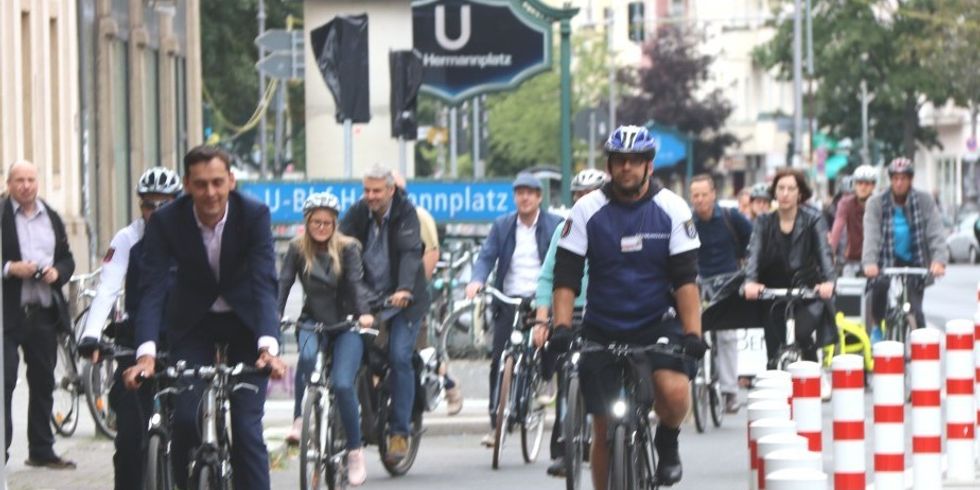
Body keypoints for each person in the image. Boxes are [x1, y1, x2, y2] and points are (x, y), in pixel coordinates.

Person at [122, 145, 287, 490]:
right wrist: (146, 355)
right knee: (184, 419)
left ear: (231, 181)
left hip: (246, 325)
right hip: (193, 323)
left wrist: (268, 348)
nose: (210, 193)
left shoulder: (254, 215)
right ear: (187, 185)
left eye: (217, 182)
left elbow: (263, 282)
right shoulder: (167, 221)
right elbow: (151, 289)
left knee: (245, 428)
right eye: (200, 184)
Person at [550, 125, 706, 489]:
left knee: (675, 392)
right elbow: (566, 276)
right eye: (620, 161)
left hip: (657, 322)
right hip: (602, 325)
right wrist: (560, 327)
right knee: (604, 426)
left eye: (635, 161)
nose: (626, 168)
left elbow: (686, 281)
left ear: (648, 166)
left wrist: (694, 333)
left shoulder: (672, 208)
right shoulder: (587, 209)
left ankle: (667, 441)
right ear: (609, 164)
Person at [76, 166, 181, 488]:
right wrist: (91, 335)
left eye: (164, 204)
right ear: (140, 207)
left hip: (185, 337)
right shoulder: (128, 238)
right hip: (136, 338)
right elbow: (107, 288)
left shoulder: (192, 237)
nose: (156, 211)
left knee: (192, 427)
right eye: (150, 204)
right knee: (128, 438)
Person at [278, 192, 374, 486]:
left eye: (327, 222)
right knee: (306, 357)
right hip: (312, 324)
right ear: (307, 223)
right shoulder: (296, 249)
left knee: (344, 384)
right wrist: (273, 318)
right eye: (315, 222)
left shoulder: (348, 249)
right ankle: (299, 420)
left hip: (346, 326)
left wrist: (363, 314)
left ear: (335, 224)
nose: (321, 227)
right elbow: (282, 285)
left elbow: (356, 285)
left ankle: (355, 451)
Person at [339, 165, 430, 463]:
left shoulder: (406, 213)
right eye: (366, 190)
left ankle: (400, 431)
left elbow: (409, 253)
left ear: (391, 190)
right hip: (368, 299)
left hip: (404, 300)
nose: (371, 196)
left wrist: (404, 289)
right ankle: (363, 423)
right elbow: (340, 247)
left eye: (377, 190)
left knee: (399, 355)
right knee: (359, 359)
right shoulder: (356, 213)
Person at [465, 172, 562, 447]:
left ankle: (545, 379)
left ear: (539, 197)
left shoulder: (554, 224)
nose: (525, 197)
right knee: (499, 360)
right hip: (509, 299)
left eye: (530, 192)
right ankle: (496, 424)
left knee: (546, 345)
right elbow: (486, 256)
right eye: (520, 192)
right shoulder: (503, 225)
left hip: (541, 298)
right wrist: (476, 280)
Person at [531, 168, 608, 477]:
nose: (583, 201)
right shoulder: (564, 228)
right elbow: (547, 276)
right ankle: (566, 444)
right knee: (569, 375)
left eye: (589, 195)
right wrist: (541, 320)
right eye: (578, 196)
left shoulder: (615, 225)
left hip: (606, 311)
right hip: (571, 312)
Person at [2, 160, 76, 468]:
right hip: (8, 313)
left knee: (44, 381)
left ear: (38, 182)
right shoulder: (2, 215)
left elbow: (67, 260)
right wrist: (9, 268)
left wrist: (56, 273)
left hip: (44, 312)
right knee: (4, 382)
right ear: (9, 184)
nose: (26, 186)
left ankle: (42, 449)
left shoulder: (53, 217)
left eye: (31, 179)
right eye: (19, 180)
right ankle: (2, 453)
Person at [743, 168, 836, 367]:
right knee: (773, 351)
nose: (785, 193)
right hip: (772, 294)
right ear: (774, 193)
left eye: (791, 189)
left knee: (801, 333)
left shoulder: (814, 220)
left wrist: (828, 282)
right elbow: (754, 254)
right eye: (781, 188)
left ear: (799, 193)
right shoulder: (763, 222)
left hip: (807, 293)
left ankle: (813, 371)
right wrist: (751, 282)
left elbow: (824, 253)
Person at [391, 172, 463, 416]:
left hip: (411, 297)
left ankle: (449, 386)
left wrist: (415, 288)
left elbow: (431, 253)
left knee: (418, 349)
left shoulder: (419, 216)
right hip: (382, 299)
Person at [689, 174, 752, 414]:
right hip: (698, 283)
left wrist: (748, 263)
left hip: (728, 281)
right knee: (693, 332)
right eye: (696, 195)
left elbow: (753, 237)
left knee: (727, 337)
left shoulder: (730, 217)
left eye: (705, 194)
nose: (701, 200)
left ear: (714, 194)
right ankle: (696, 384)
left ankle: (729, 392)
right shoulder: (687, 223)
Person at [862, 157, 947, 331]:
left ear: (910, 180)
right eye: (895, 179)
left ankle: (921, 348)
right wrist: (869, 263)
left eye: (903, 178)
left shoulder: (924, 201)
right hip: (885, 260)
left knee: (916, 310)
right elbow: (872, 235)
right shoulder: (876, 203)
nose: (899, 183)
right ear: (890, 180)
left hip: (914, 260)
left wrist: (939, 260)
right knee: (878, 291)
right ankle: (878, 328)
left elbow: (935, 232)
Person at [829, 165, 877, 277]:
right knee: (847, 290)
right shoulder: (846, 203)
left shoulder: (878, 203)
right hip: (851, 258)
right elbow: (838, 226)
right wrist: (830, 254)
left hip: (875, 261)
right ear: (854, 185)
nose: (863, 187)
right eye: (859, 183)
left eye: (867, 184)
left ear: (873, 186)